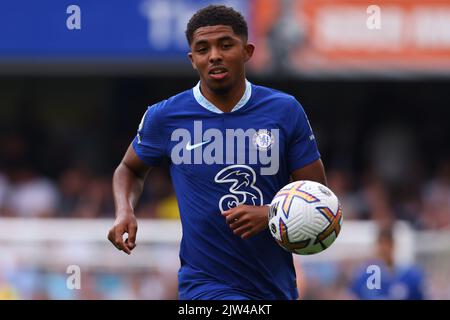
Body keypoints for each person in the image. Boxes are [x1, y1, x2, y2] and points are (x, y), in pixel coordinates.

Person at [108, 5, 326, 300]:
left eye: (225, 45)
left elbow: (319, 200)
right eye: (202, 48)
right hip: (204, 287)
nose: (214, 55)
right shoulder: (166, 116)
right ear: (192, 59)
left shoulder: (285, 111)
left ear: (247, 51)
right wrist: (125, 210)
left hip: (274, 286)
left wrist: (271, 214)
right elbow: (129, 169)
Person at [349, 226, 425, 300]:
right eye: (381, 244)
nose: (384, 248)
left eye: (388, 244)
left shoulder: (410, 275)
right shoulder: (364, 275)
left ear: (393, 245)